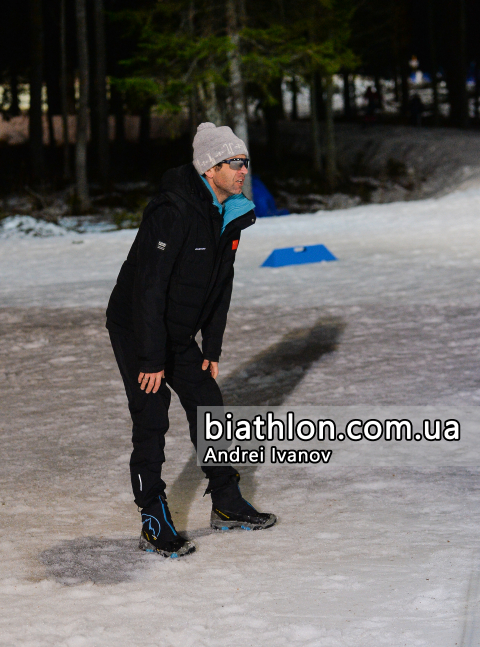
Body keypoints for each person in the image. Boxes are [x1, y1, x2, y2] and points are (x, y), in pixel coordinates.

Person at [106, 122, 277, 558]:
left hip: (176, 327)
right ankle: (153, 516)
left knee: (207, 402)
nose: (243, 170)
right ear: (209, 168)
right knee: (152, 412)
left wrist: (213, 347)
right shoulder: (173, 211)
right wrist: (150, 359)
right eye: (233, 163)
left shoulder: (231, 213)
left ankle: (226, 501)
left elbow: (222, 285)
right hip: (136, 324)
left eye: (244, 162)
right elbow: (148, 288)